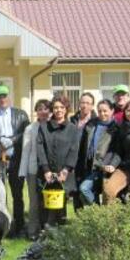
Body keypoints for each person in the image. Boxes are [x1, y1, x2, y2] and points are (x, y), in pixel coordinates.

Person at [0, 85, 30, 236]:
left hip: (15, 158)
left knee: (17, 194)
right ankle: (2, 226)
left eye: (5, 96)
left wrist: (13, 140)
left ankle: (20, 225)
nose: (2, 99)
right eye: (0, 97)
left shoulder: (21, 114)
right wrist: (0, 139)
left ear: (9, 97)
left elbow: (25, 132)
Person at [37, 96, 79, 227]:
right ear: (52, 109)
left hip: (64, 172)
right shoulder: (44, 127)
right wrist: (46, 170)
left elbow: (74, 150)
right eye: (55, 107)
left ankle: (61, 232)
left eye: (62, 107)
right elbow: (40, 149)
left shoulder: (72, 128)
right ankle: (45, 231)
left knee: (61, 203)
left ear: (66, 109)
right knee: (44, 202)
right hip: (47, 172)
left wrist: (66, 170)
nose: (58, 110)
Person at [19, 99, 51, 240]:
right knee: (34, 202)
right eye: (40, 109)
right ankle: (32, 231)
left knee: (49, 201)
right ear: (36, 111)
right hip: (33, 170)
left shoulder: (53, 126)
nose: (43, 111)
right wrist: (23, 171)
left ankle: (48, 230)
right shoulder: (30, 128)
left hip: (50, 170)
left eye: (46, 109)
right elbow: (25, 151)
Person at [77, 99, 118, 206]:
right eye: (99, 111)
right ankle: (96, 215)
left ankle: (97, 211)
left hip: (103, 166)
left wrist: (110, 164)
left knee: (84, 188)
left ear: (112, 111)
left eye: (105, 111)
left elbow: (116, 150)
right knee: (86, 193)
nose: (102, 113)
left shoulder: (116, 128)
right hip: (89, 165)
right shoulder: (92, 124)